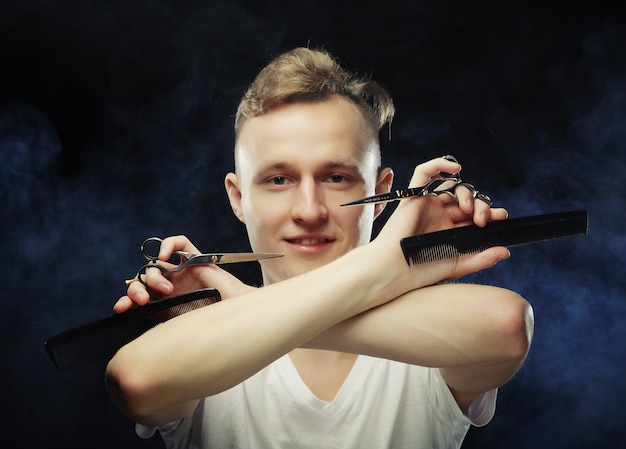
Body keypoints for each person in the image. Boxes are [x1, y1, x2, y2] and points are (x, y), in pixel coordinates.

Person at [106, 47, 534, 449]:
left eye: (336, 178)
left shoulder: (204, 323)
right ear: (238, 198)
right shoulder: (198, 334)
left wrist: (241, 303)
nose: (309, 211)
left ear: (383, 193)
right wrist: (387, 260)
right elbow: (134, 380)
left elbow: (507, 325)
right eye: (278, 179)